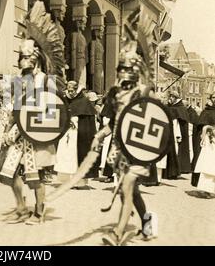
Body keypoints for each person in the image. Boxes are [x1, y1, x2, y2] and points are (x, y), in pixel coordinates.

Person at [0, 1, 64, 225]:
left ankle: (39, 210)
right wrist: (8, 129)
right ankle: (20, 207)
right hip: (19, 135)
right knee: (9, 175)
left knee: (36, 179)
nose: (23, 61)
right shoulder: (19, 81)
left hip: (38, 136)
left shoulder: (45, 81)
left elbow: (50, 108)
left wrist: (24, 126)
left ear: (35, 58)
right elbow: (14, 109)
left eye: (27, 57)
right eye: (22, 57)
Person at [89, 48, 157, 246]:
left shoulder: (144, 92)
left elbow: (156, 122)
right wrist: (100, 135)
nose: (125, 72)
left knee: (127, 187)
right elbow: (114, 123)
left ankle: (117, 233)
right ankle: (148, 225)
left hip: (139, 151)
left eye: (129, 68)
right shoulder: (116, 93)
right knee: (131, 192)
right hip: (120, 151)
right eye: (122, 68)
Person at [55, 82, 99, 189]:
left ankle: (79, 182)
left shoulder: (84, 102)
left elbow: (88, 123)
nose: (70, 93)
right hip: (67, 134)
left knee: (78, 156)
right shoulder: (65, 100)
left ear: (76, 90)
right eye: (69, 91)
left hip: (79, 136)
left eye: (72, 91)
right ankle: (67, 181)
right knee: (66, 156)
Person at [191, 93, 215, 198]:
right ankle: (205, 189)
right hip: (209, 140)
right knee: (208, 163)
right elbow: (202, 127)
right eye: (214, 97)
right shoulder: (206, 111)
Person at [163, 91, 190, 179]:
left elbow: (178, 120)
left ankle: (176, 170)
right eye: (170, 96)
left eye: (172, 97)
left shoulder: (180, 108)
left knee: (176, 151)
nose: (170, 98)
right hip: (172, 131)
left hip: (177, 132)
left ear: (176, 98)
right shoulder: (172, 107)